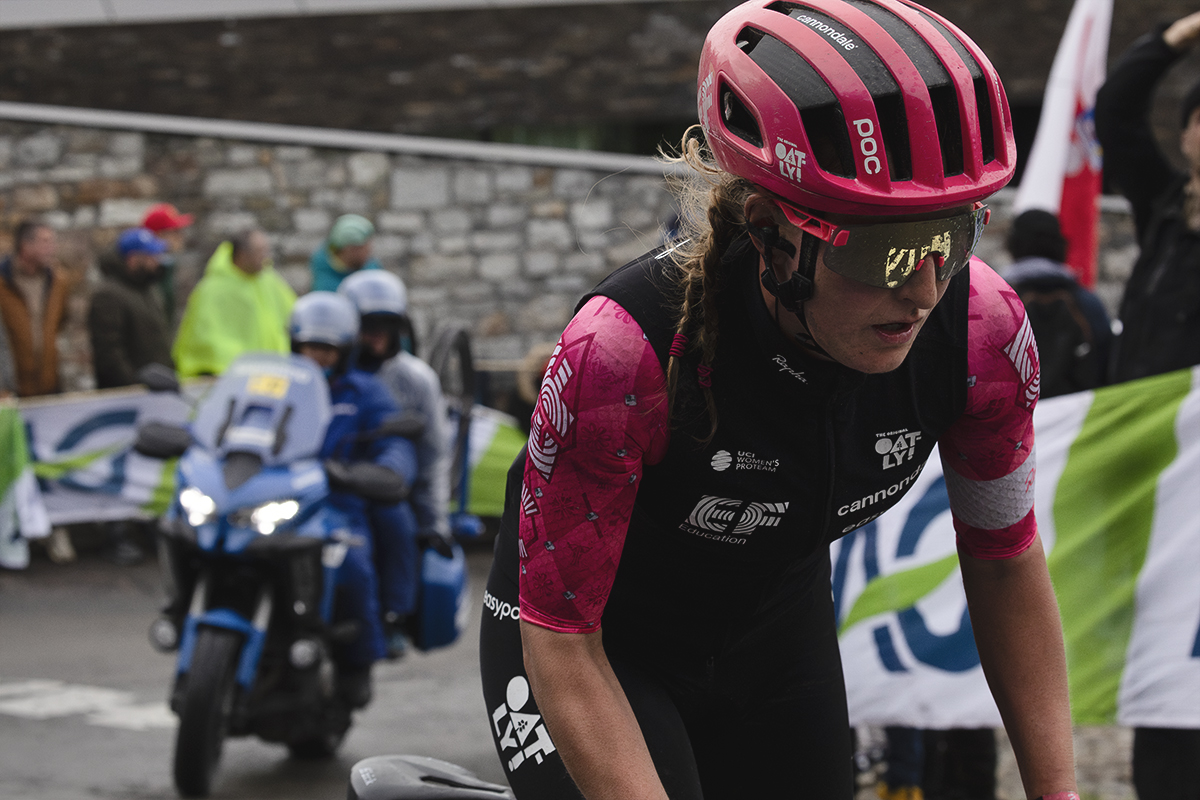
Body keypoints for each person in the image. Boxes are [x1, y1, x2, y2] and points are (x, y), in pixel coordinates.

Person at [478, 2, 1079, 799]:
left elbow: (1004, 565)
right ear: (769, 232)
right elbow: (562, 640)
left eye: (951, 237)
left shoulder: (983, 335)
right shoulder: (623, 354)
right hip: (590, 645)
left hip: (773, 641)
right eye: (887, 251)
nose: (924, 288)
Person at [1094, 10, 1200, 798]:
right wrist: (1177, 36)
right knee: (1161, 651)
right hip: (1146, 476)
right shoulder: (1165, 209)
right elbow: (1118, 113)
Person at [289, 291, 418, 706]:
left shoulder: (364, 392)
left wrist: (384, 470)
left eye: (327, 349)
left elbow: (395, 441)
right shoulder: (277, 386)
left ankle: (358, 663)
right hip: (278, 499)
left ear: (345, 351)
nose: (317, 357)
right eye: (310, 347)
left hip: (338, 503)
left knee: (353, 566)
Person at [338, 270, 452, 655]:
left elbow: (433, 456)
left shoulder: (415, 380)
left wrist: (435, 522)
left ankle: (394, 614)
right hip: (330, 478)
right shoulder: (330, 371)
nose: (375, 336)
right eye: (366, 326)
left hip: (385, 484)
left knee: (396, 524)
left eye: (385, 326)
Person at [1004, 209, 1111, 398]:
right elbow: (1106, 363)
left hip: (1013, 411)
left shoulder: (997, 301)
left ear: (1013, 244)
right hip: (1079, 412)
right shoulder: (1088, 303)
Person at [172, 229, 296, 379]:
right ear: (242, 255)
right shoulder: (212, 290)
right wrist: (246, 366)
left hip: (274, 375)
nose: (266, 257)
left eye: (266, 250)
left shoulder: (268, 280)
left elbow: (294, 313)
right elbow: (206, 343)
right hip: (228, 379)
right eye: (260, 251)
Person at [89, 228, 174, 390]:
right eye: (151, 256)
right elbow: (109, 354)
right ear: (133, 259)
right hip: (131, 395)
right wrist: (135, 385)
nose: (157, 261)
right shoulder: (108, 295)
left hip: (157, 390)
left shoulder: (147, 289)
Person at [0, 220, 70, 398]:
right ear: (25, 245)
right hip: (13, 389)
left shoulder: (58, 281)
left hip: (49, 384)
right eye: (45, 242)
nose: (51, 248)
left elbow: (61, 322)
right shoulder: (3, 283)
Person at [141, 202, 194, 324]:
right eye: (175, 231)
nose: (181, 236)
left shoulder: (168, 267)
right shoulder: (146, 273)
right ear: (159, 234)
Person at [310, 214, 381, 292]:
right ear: (350, 249)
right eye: (364, 248)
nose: (369, 252)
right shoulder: (326, 287)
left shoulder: (370, 267)